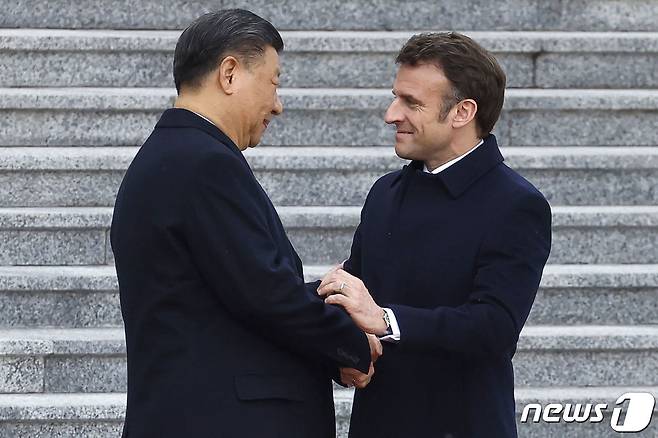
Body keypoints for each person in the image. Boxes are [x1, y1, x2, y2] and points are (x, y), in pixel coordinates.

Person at [111, 9, 379, 438]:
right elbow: (265, 293)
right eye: (273, 83)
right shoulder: (203, 163)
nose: (278, 104)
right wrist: (350, 342)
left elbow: (231, 294)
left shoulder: (171, 156)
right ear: (230, 74)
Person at [317, 32, 552, 437]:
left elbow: (494, 327)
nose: (391, 114)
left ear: (462, 112)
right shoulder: (384, 194)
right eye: (396, 97)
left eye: (411, 102)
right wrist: (347, 346)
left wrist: (385, 320)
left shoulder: (515, 204)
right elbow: (355, 299)